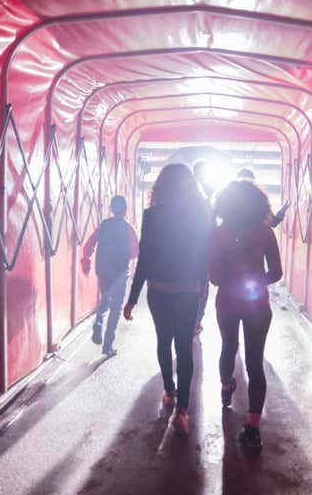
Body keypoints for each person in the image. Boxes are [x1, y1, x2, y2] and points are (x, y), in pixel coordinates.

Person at [123, 164, 211, 436]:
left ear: (161, 186)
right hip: (186, 290)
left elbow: (145, 259)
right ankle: (182, 410)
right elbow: (202, 256)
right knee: (185, 347)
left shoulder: (152, 215)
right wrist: (201, 288)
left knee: (163, 341)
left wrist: (132, 298)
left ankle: (169, 391)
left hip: (158, 290)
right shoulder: (200, 214)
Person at [209, 180, 283, 452]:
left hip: (227, 301)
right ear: (257, 204)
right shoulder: (265, 233)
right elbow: (276, 273)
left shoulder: (218, 234)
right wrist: (255, 279)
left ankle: (226, 387)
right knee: (255, 363)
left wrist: (233, 278)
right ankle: (253, 429)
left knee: (228, 346)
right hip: (257, 305)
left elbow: (214, 277)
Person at [81, 195, 139, 357]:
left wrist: (87, 260)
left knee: (105, 298)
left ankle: (98, 321)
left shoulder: (104, 226)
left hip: (103, 270)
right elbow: (135, 251)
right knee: (116, 308)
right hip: (120, 273)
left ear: (111, 209)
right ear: (126, 209)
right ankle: (107, 346)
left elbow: (89, 245)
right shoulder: (128, 228)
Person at [192, 159, 215, 336]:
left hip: (187, 252)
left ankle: (191, 321)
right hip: (204, 251)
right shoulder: (208, 196)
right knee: (202, 289)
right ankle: (196, 322)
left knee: (188, 287)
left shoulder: (186, 192)